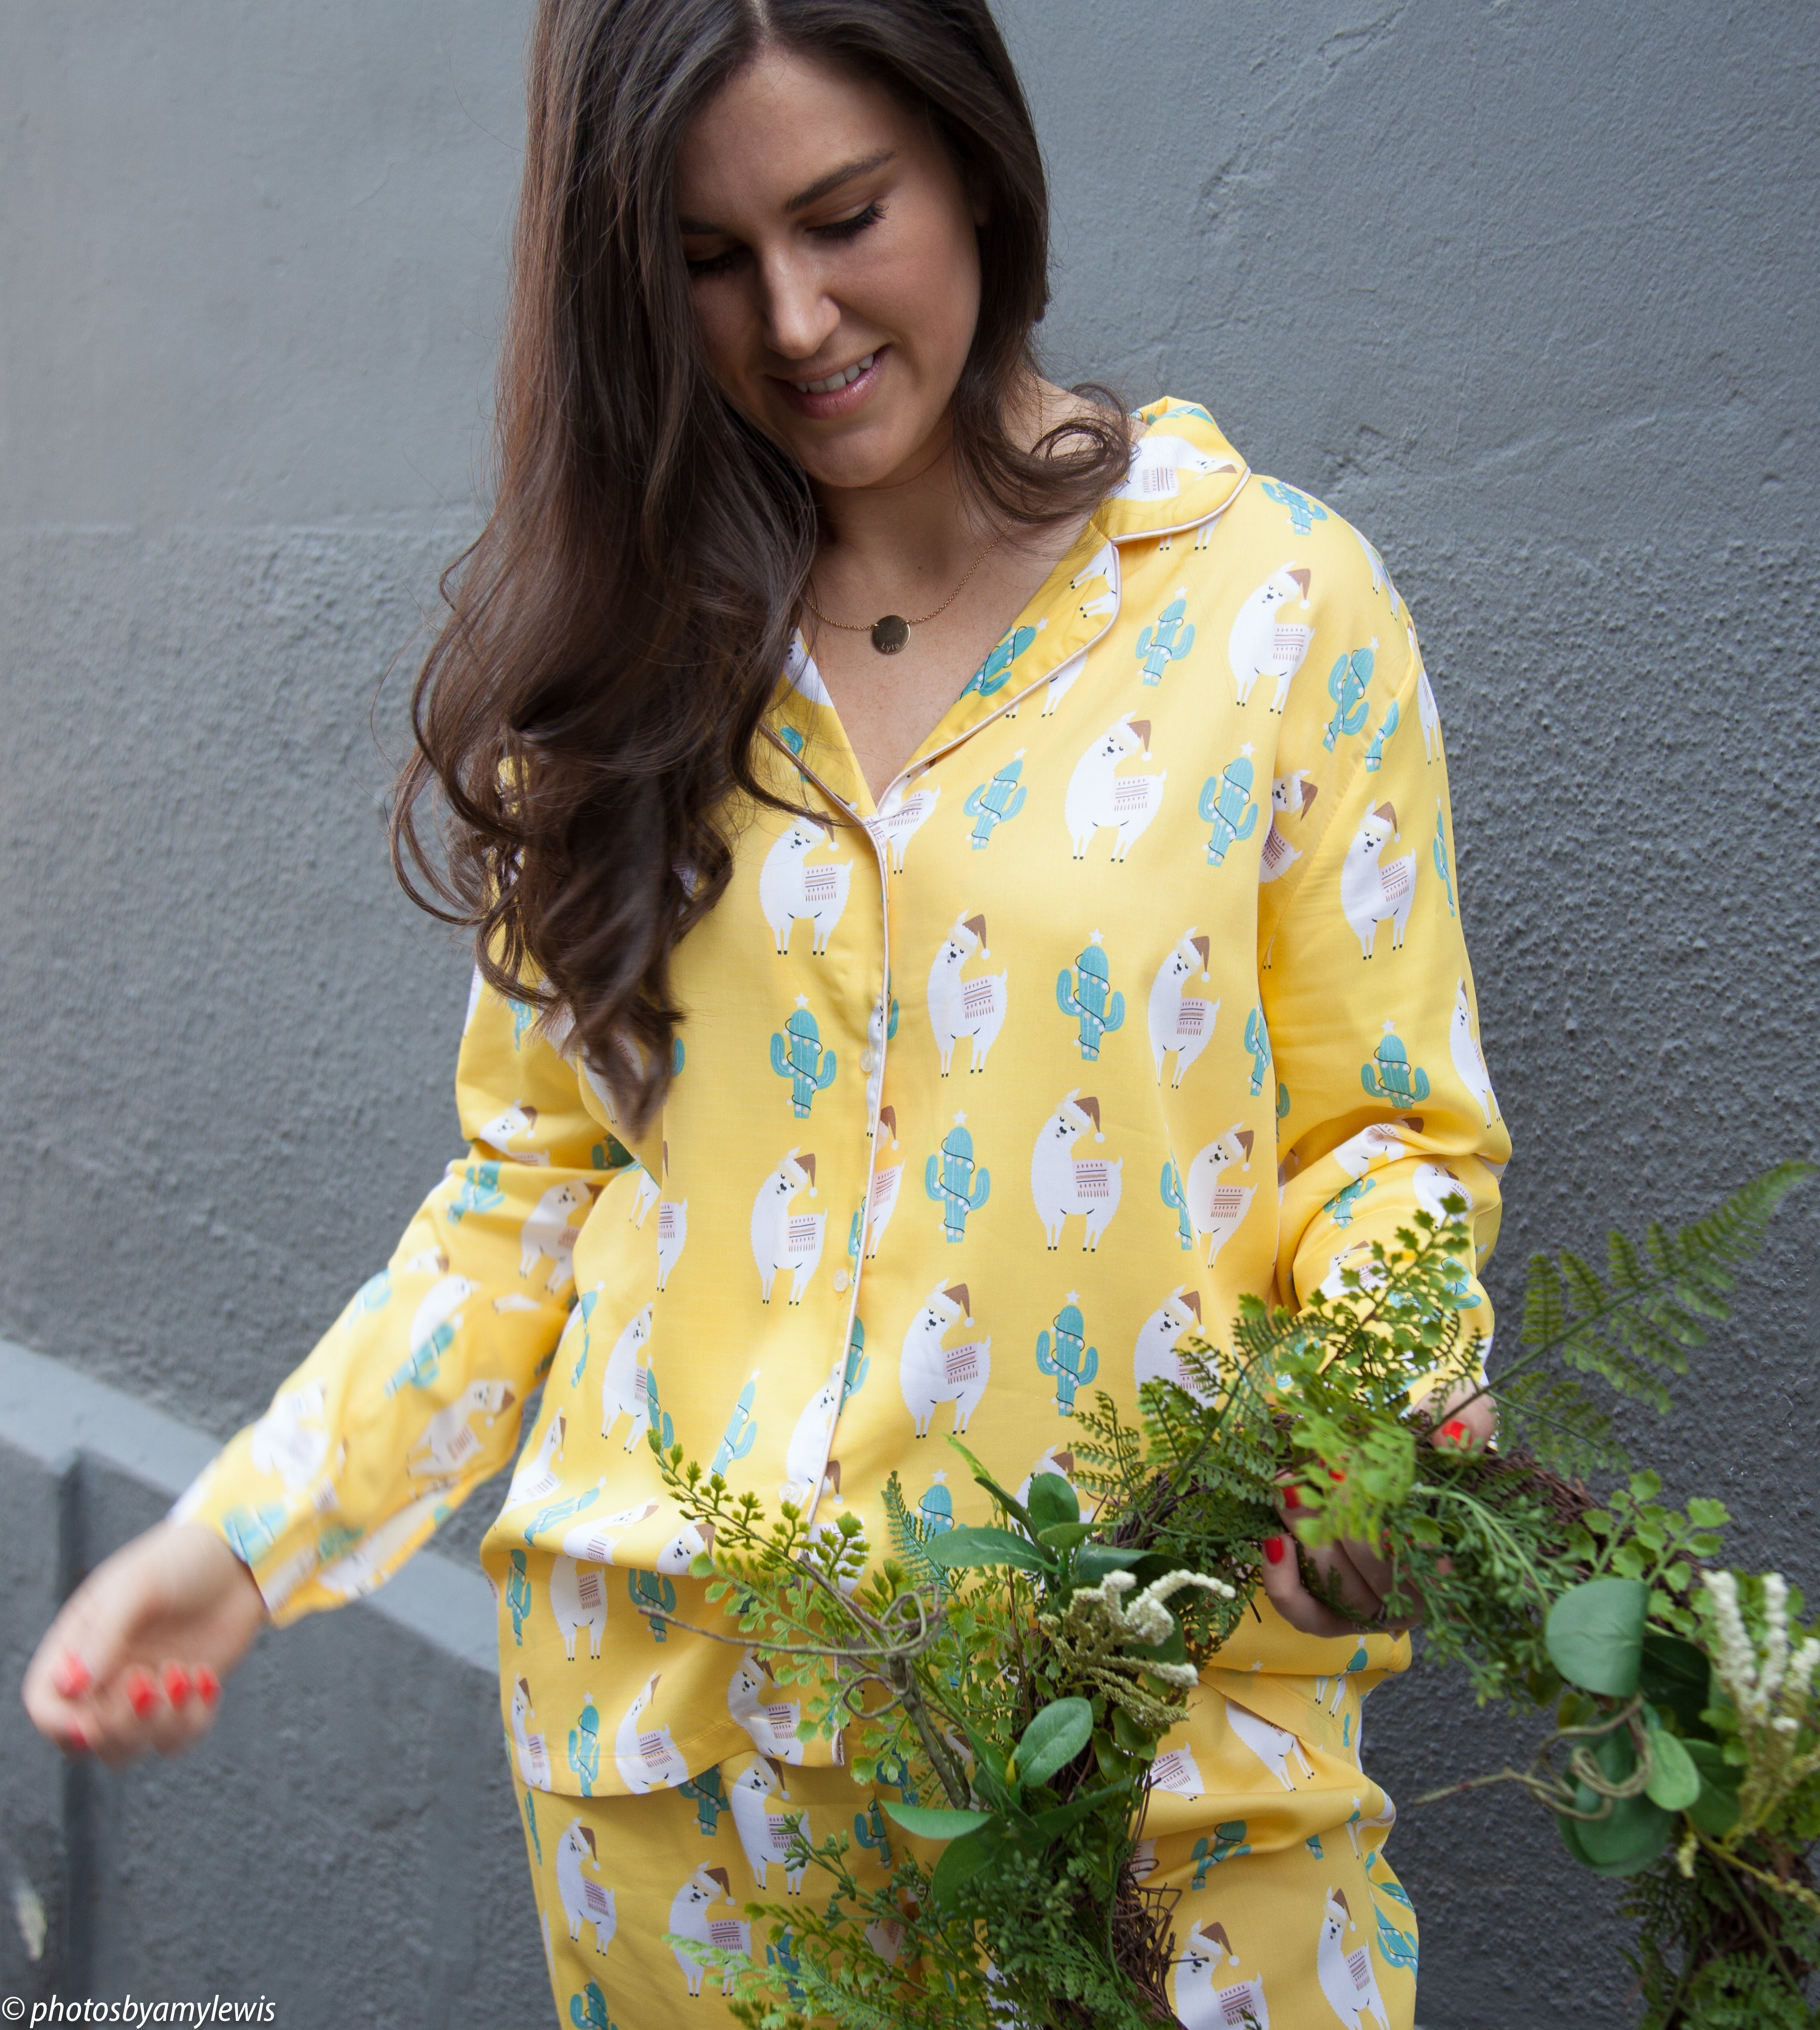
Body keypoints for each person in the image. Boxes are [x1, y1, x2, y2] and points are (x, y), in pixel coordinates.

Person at [22, 3, 1509, 2022]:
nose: (795, 318)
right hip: (682, 1792)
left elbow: (1385, 1136)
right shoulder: (628, 659)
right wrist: (242, 1547)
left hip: (1147, 1766)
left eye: (843, 216)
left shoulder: (1270, 606)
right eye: (708, 260)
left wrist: (1375, 1415)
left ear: (975, 161)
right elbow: (530, 1195)